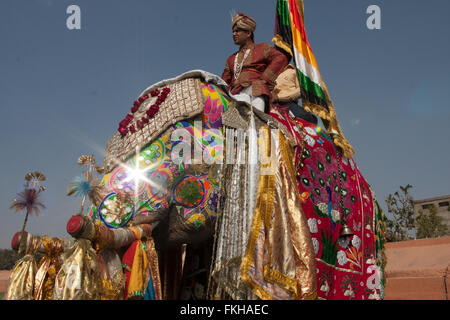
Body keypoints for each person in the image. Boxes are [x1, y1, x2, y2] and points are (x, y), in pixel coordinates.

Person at [222, 13, 289, 113]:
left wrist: (264, 79)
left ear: (248, 33)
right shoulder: (231, 59)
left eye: (237, 31)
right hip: (235, 94)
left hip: (257, 90)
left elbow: (281, 58)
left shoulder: (262, 48)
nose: (234, 34)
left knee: (258, 120)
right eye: (233, 31)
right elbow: (223, 82)